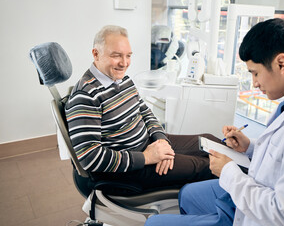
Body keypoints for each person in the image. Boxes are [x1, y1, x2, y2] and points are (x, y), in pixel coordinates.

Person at [145, 18, 284, 226]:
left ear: (282, 63)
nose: (255, 83)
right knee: (188, 194)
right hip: (257, 191)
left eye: (255, 73)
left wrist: (229, 173)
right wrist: (250, 147)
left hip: (260, 214)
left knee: (154, 223)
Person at [65, 25, 219, 191]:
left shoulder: (123, 80)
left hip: (149, 145)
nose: (124, 63)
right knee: (207, 165)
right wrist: (146, 157)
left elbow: (145, 112)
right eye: (116, 56)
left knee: (208, 142)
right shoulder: (86, 96)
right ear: (96, 54)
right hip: (130, 170)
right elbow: (89, 157)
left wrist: (161, 140)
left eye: (128, 56)